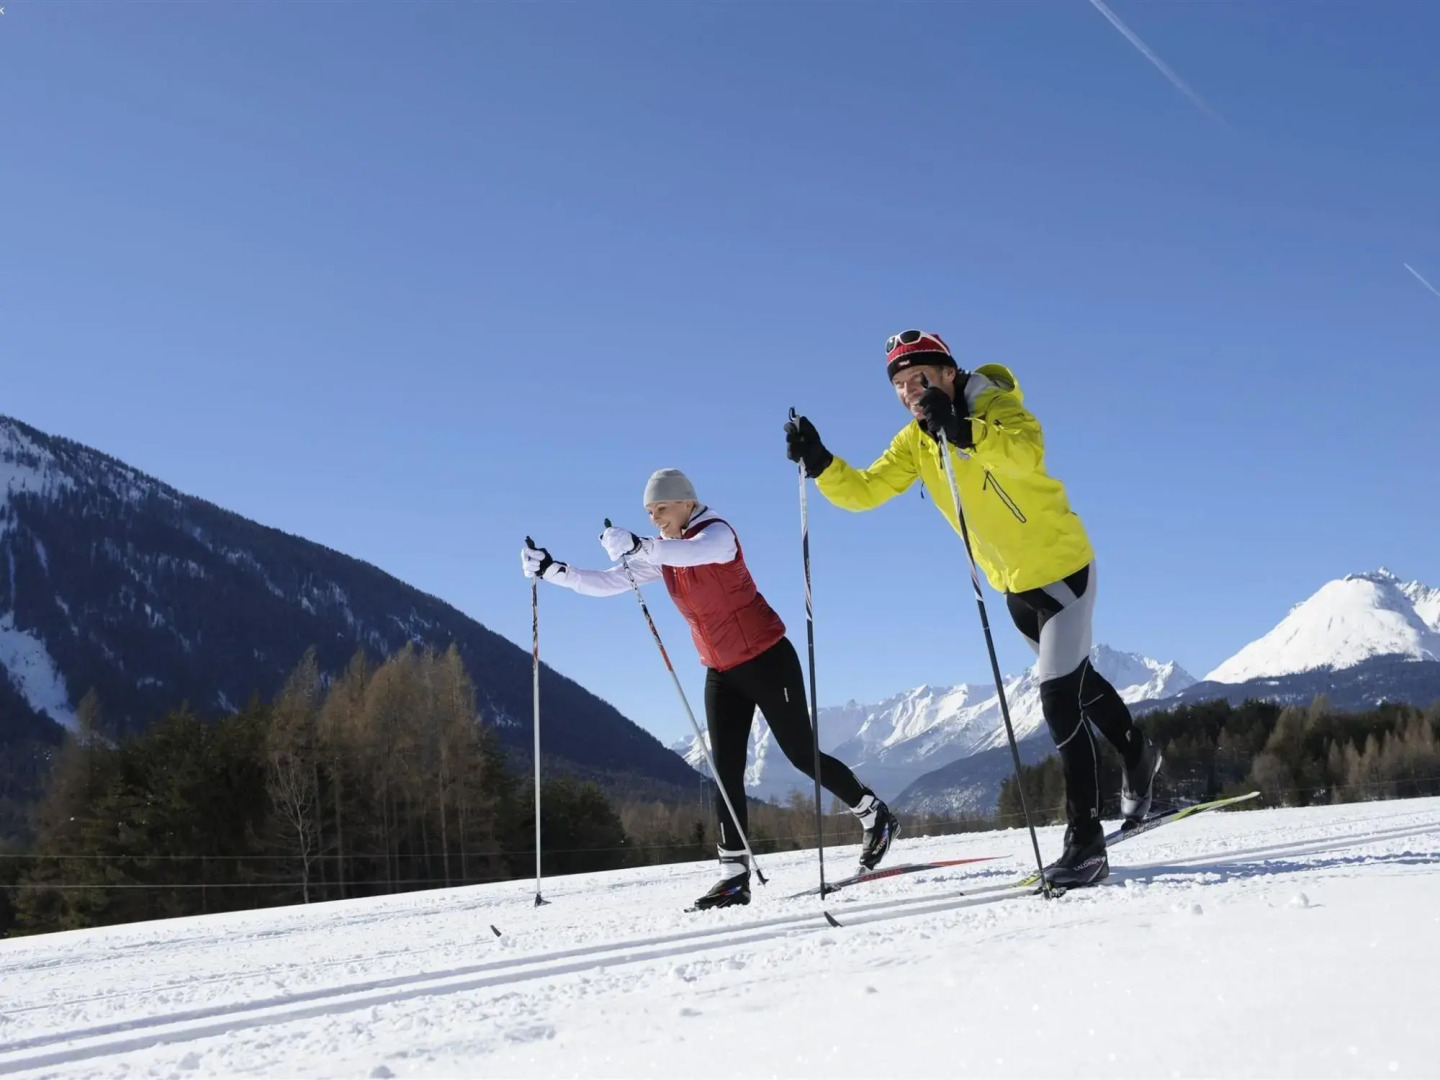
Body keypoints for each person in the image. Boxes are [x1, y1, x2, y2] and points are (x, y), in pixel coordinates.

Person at [784, 330, 1161, 888]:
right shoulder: (915, 440)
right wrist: (821, 463)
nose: (911, 390)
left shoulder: (994, 404)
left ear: (950, 373)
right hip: (1015, 590)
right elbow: (865, 490)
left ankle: (1086, 841)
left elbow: (1027, 450)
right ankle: (1138, 752)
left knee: (1058, 698)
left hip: (1062, 573)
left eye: (921, 377)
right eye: (900, 384)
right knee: (1078, 686)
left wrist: (963, 431)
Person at [521, 467, 899, 909]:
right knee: (725, 771)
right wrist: (554, 571)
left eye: (662, 508)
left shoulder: (717, 533)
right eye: (649, 513)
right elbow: (609, 582)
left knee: (800, 754)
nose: (656, 517)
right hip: (721, 672)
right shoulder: (665, 550)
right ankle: (733, 876)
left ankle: (874, 814)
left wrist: (644, 546)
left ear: (686, 502)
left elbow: (697, 553)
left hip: (768, 658)